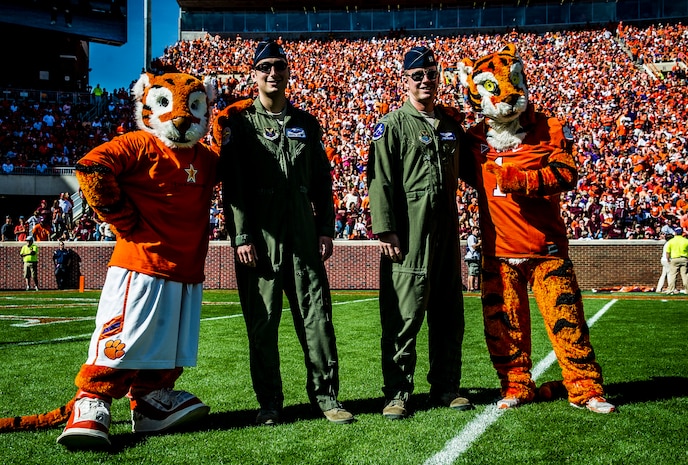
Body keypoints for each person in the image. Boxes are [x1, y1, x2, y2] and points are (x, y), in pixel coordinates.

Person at [457, 44, 614, 413]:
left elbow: (567, 173)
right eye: (494, 87)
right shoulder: (473, 139)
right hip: (498, 250)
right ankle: (515, 385)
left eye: (513, 82)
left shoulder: (548, 126)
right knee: (504, 326)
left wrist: (520, 180)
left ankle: (585, 388)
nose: (507, 95)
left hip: (546, 248)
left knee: (566, 321)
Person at [219, 40, 354, 426]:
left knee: (317, 318)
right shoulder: (240, 125)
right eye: (266, 67)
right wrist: (241, 237)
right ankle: (270, 404)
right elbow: (234, 188)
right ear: (254, 75)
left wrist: (326, 227)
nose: (273, 73)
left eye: (279, 66)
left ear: (289, 72)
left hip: (302, 231)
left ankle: (327, 398)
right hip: (260, 237)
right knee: (262, 324)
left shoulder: (306, 124)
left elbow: (322, 182)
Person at [367, 45, 472, 420]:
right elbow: (379, 180)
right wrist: (386, 230)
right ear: (405, 81)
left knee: (448, 313)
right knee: (403, 316)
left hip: (446, 231)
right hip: (409, 235)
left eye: (431, 73)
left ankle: (446, 387)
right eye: (417, 75)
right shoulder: (391, 125)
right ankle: (397, 392)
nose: (425, 80)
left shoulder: (450, 125)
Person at [664, 227, 688, 294]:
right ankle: (687, 290)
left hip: (674, 259)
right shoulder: (686, 241)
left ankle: (671, 289)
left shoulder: (671, 241)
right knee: (685, 275)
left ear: (675, 233)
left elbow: (667, 252)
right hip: (684, 258)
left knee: (673, 275)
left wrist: (668, 259)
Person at [465, 226, 482, 292]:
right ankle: (472, 288)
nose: (477, 232)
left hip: (470, 257)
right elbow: (474, 246)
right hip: (473, 257)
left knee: (470, 273)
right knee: (473, 273)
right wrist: (480, 243)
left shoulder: (473, 237)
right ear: (472, 231)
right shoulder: (472, 237)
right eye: (476, 230)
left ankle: (469, 288)